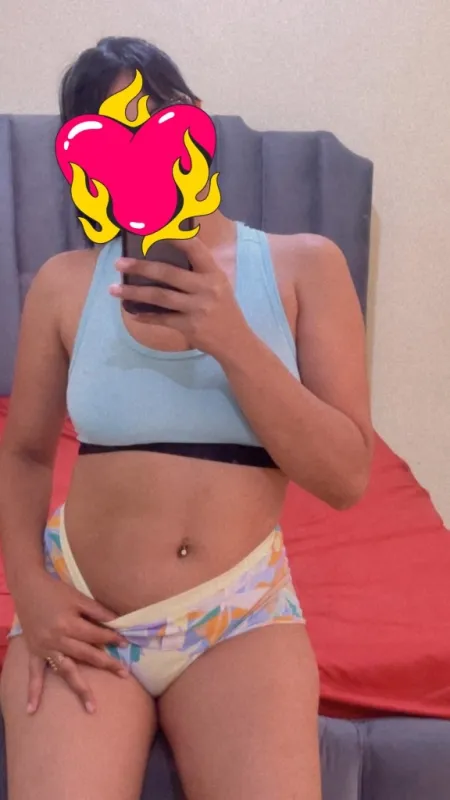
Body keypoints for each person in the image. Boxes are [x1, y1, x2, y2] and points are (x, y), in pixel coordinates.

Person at [0, 36, 373, 800]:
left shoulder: (306, 266)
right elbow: (25, 455)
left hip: (238, 616)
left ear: (192, 120)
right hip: (83, 606)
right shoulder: (64, 284)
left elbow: (345, 478)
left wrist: (231, 339)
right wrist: (29, 590)